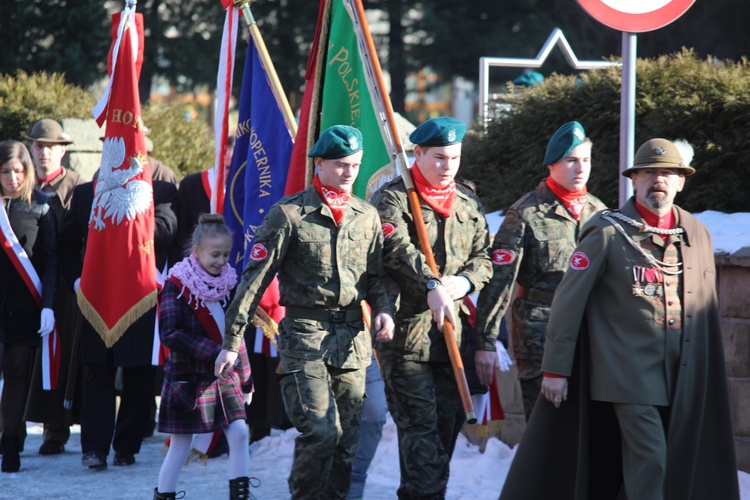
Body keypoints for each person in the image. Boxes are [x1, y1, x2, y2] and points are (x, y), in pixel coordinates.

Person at [500, 138, 739, 500]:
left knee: (673, 461)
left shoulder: (695, 234)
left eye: (667, 173)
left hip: (682, 372)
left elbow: (704, 308)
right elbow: (568, 301)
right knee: (651, 460)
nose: (658, 180)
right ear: (634, 180)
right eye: (648, 173)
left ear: (680, 181)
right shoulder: (609, 230)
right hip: (625, 375)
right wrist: (555, 370)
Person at [217, 125, 398, 500]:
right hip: (305, 337)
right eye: (340, 165)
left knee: (346, 442)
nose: (349, 173)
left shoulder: (366, 216)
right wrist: (232, 341)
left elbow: (378, 276)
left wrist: (384, 310)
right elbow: (253, 280)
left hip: (352, 340)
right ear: (319, 163)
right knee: (320, 431)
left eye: (355, 165)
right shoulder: (289, 214)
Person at [371, 116, 492, 499]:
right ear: (417, 153)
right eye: (439, 158)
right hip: (409, 339)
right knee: (421, 437)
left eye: (454, 158)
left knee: (444, 432)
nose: (448, 167)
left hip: (453, 336)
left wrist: (463, 283)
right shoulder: (394, 197)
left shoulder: (468, 199)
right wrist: (431, 283)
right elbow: (397, 251)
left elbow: (485, 257)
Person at [475, 121, 606, 421]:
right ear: (552, 165)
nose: (580, 168)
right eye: (571, 160)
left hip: (590, 330)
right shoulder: (525, 213)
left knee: (588, 425)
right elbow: (499, 283)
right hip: (540, 332)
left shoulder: (599, 212)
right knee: (545, 425)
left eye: (585, 160)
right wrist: (486, 341)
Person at [58, 178, 177, 471]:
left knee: (138, 375)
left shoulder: (158, 190)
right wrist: (77, 281)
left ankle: (126, 446)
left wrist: (126, 215)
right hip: (99, 296)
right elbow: (67, 241)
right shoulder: (86, 192)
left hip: (140, 298)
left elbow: (166, 229)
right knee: (98, 371)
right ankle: (95, 449)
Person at [155, 214, 255, 500]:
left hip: (224, 379)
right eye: (214, 254)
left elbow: (237, 335)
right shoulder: (177, 284)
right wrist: (216, 352)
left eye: (225, 254)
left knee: (239, 435)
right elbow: (170, 333)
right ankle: (164, 496)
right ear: (195, 252)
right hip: (188, 378)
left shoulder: (229, 283)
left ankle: (240, 495)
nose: (221, 261)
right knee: (181, 446)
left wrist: (246, 379)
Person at [21, 118, 86, 456]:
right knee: (22, 361)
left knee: (61, 361)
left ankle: (55, 431)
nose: (44, 153)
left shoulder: (78, 187)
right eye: (38, 146)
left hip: (64, 287)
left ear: (63, 150)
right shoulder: (19, 184)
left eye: (51, 147)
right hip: (24, 285)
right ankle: (14, 430)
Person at [0, 140, 57, 472]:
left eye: (18, 171)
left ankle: (11, 443)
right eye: (5, 171)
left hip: (25, 306)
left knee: (17, 372)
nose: (12, 178)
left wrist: (48, 305)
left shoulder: (41, 205)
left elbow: (51, 261)